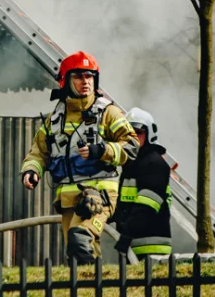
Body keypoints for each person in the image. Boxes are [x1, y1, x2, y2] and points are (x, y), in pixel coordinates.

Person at [20, 51, 140, 263]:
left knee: (80, 239)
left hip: (100, 193)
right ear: (65, 81)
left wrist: (102, 150)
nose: (85, 82)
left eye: (89, 76)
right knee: (79, 255)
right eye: (78, 76)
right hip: (68, 198)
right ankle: (92, 282)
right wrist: (31, 170)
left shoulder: (108, 113)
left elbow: (132, 146)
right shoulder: (55, 119)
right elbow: (39, 151)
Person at [111, 107, 173, 259]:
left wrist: (126, 234)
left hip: (152, 249)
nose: (132, 138)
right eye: (128, 133)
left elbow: (147, 206)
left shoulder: (154, 163)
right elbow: (124, 206)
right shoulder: (131, 164)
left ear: (150, 134)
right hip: (131, 248)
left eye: (138, 133)